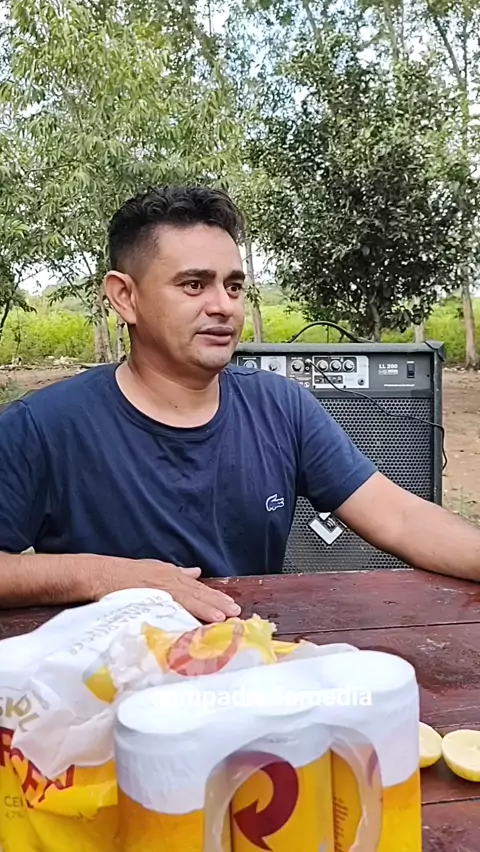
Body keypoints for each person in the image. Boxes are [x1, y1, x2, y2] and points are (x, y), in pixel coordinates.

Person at [1, 185, 479, 622]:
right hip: (105, 676)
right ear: (125, 297)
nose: (224, 306)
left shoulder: (281, 408)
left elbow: (400, 518)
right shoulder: (42, 427)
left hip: (245, 661)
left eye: (233, 286)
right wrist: (106, 576)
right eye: (194, 285)